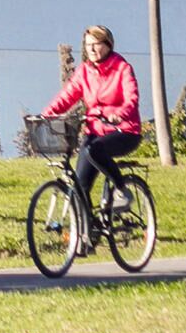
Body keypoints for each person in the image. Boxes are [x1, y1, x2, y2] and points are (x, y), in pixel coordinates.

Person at [40, 22, 144, 243]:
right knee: (80, 184)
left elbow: (131, 99)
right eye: (88, 46)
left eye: (97, 45)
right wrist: (45, 116)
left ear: (108, 45)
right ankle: (89, 235)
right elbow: (67, 97)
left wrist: (118, 113)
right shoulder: (85, 71)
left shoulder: (122, 68)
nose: (93, 50)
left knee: (94, 150)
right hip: (95, 131)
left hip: (124, 130)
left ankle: (121, 189)